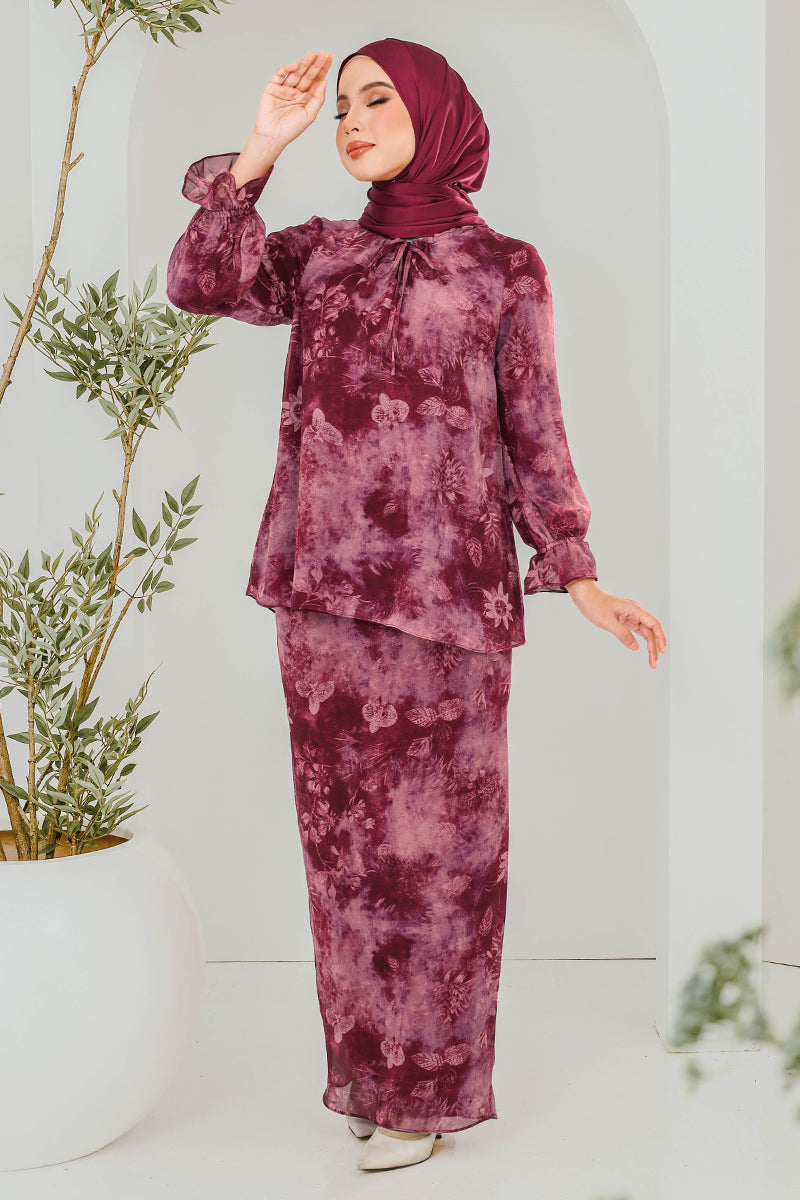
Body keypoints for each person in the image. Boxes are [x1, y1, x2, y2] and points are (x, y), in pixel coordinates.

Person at [166, 38, 667, 1173]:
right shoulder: (321, 253)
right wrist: (262, 145)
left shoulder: (505, 268)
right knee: (345, 862)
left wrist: (576, 568)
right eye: (341, 105)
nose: (351, 118)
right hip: (320, 600)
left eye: (375, 98)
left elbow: (533, 429)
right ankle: (366, 1076)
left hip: (449, 610)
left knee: (442, 867)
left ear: (437, 113)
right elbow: (200, 284)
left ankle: (426, 1094)